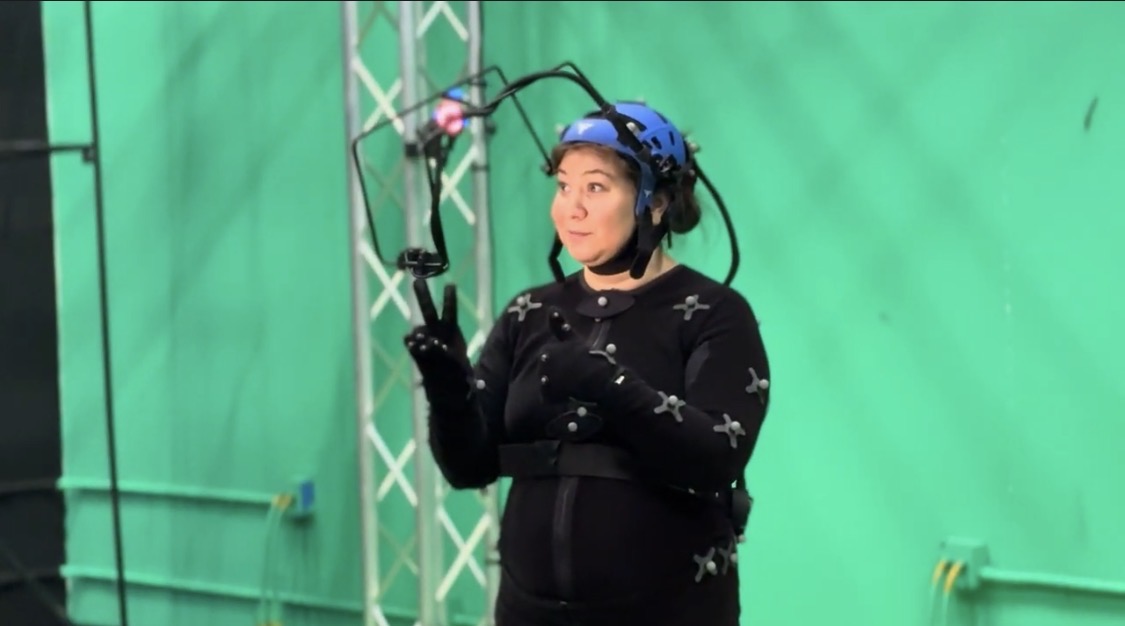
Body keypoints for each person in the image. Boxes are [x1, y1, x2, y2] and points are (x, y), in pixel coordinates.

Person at [404, 101, 771, 626]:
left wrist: (610, 385)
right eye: (563, 186)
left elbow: (717, 455)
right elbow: (469, 467)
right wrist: (448, 394)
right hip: (527, 614)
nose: (570, 208)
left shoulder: (715, 314)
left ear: (656, 203)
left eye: (595, 188)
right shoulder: (529, 311)